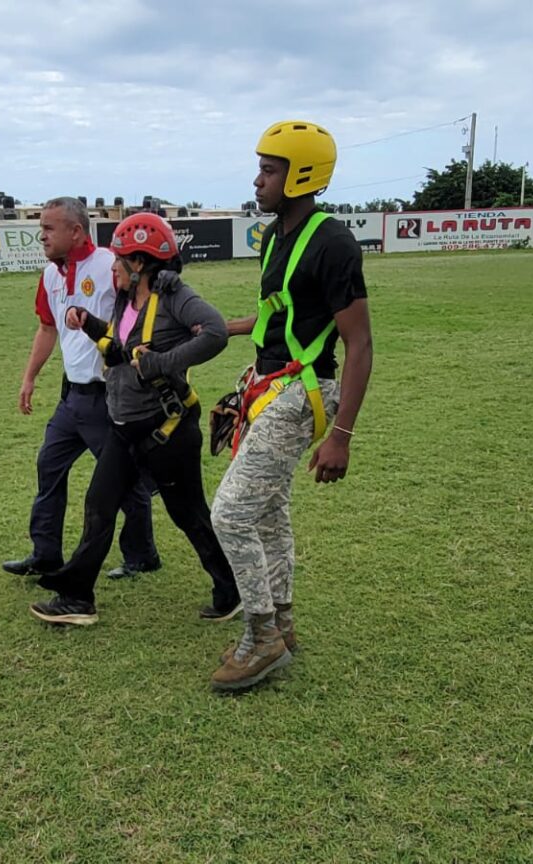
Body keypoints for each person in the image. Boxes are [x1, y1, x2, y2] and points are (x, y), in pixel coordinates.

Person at [209, 120, 373, 692]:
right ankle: (282, 619)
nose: (257, 180)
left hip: (302, 396)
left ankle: (260, 638)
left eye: (269, 169)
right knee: (269, 514)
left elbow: (359, 342)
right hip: (269, 384)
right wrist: (226, 329)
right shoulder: (277, 234)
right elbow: (282, 315)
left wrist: (342, 435)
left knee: (230, 514)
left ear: (301, 174)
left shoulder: (333, 243)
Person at [30, 213, 239, 626]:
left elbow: (214, 331)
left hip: (167, 432)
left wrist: (163, 362)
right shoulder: (128, 299)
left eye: (119, 260)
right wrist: (89, 324)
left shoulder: (174, 295)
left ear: (139, 264)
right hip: (125, 428)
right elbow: (121, 347)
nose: (112, 267)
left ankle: (231, 589)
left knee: (188, 515)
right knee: (99, 505)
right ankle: (76, 598)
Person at [3, 198, 159, 583]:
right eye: (41, 228)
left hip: (108, 397)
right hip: (71, 397)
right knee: (49, 466)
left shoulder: (109, 264)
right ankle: (45, 554)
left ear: (76, 231)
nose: (42, 235)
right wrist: (29, 377)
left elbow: (143, 309)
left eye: (49, 228)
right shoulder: (50, 275)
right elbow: (46, 328)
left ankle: (141, 554)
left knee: (121, 480)